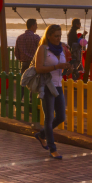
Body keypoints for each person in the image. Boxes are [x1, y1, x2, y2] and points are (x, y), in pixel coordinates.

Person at [33, 25, 70, 160]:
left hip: (58, 85)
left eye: (60, 36)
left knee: (61, 116)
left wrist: (66, 68)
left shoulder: (62, 49)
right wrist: (57, 66)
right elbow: (38, 69)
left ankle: (42, 135)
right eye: (56, 36)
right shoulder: (43, 49)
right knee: (48, 118)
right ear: (48, 36)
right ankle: (52, 148)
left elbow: (62, 69)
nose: (58, 38)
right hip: (47, 86)